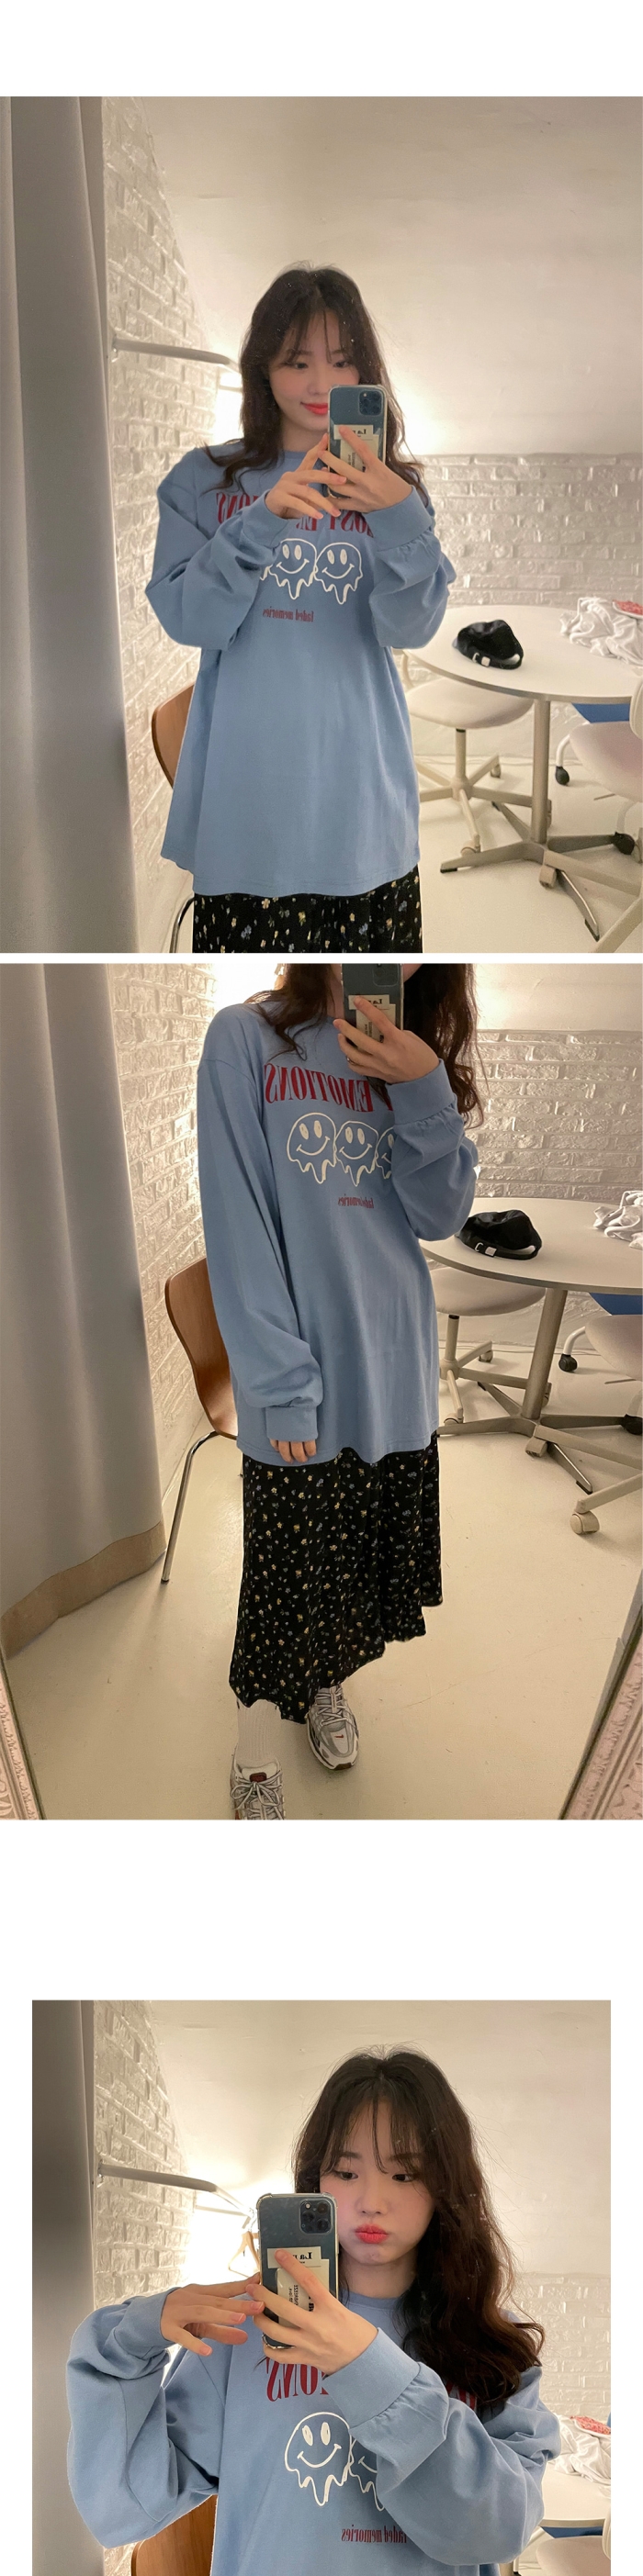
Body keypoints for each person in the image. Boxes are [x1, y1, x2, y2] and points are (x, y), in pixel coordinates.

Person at [66, 2047, 559, 2576]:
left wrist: (366, 2365)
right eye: (345, 2172)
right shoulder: (249, 2327)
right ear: (316, 2180)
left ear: (446, 2186)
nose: (371, 2200)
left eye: (404, 2174)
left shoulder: (493, 2343)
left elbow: (498, 2529)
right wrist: (131, 2338)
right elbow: (121, 2510)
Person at [197, 958, 481, 1818]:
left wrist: (424, 1084)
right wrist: (281, 1385)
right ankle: (254, 1757)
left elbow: (438, 1217)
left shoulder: (411, 1052)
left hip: (393, 1371)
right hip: (299, 1377)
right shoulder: (246, 1041)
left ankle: (327, 1684)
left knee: (351, 1572)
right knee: (281, 1586)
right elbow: (239, 1225)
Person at [146, 263, 455, 952]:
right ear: (263, 368)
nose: (321, 384)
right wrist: (262, 518)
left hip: (359, 790)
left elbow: (410, 627)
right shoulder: (204, 480)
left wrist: (399, 514)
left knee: (370, 986)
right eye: (297, 361)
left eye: (342, 361)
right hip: (247, 796)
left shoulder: (391, 488)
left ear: (366, 371)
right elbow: (192, 621)